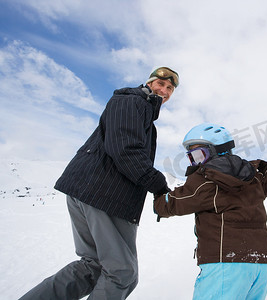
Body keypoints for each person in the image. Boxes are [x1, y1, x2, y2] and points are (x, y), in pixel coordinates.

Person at [19, 67, 180, 300]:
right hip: (105, 194)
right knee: (121, 272)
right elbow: (125, 150)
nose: (164, 91)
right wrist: (158, 184)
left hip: (92, 190)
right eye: (160, 84)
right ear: (149, 82)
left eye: (169, 88)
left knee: (92, 266)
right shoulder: (133, 101)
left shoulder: (140, 108)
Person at [153, 123, 267, 300]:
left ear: (217, 150)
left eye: (199, 155)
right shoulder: (253, 173)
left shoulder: (205, 179)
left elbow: (174, 202)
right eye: (192, 158)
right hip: (261, 265)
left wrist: (158, 196)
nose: (196, 162)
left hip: (225, 263)